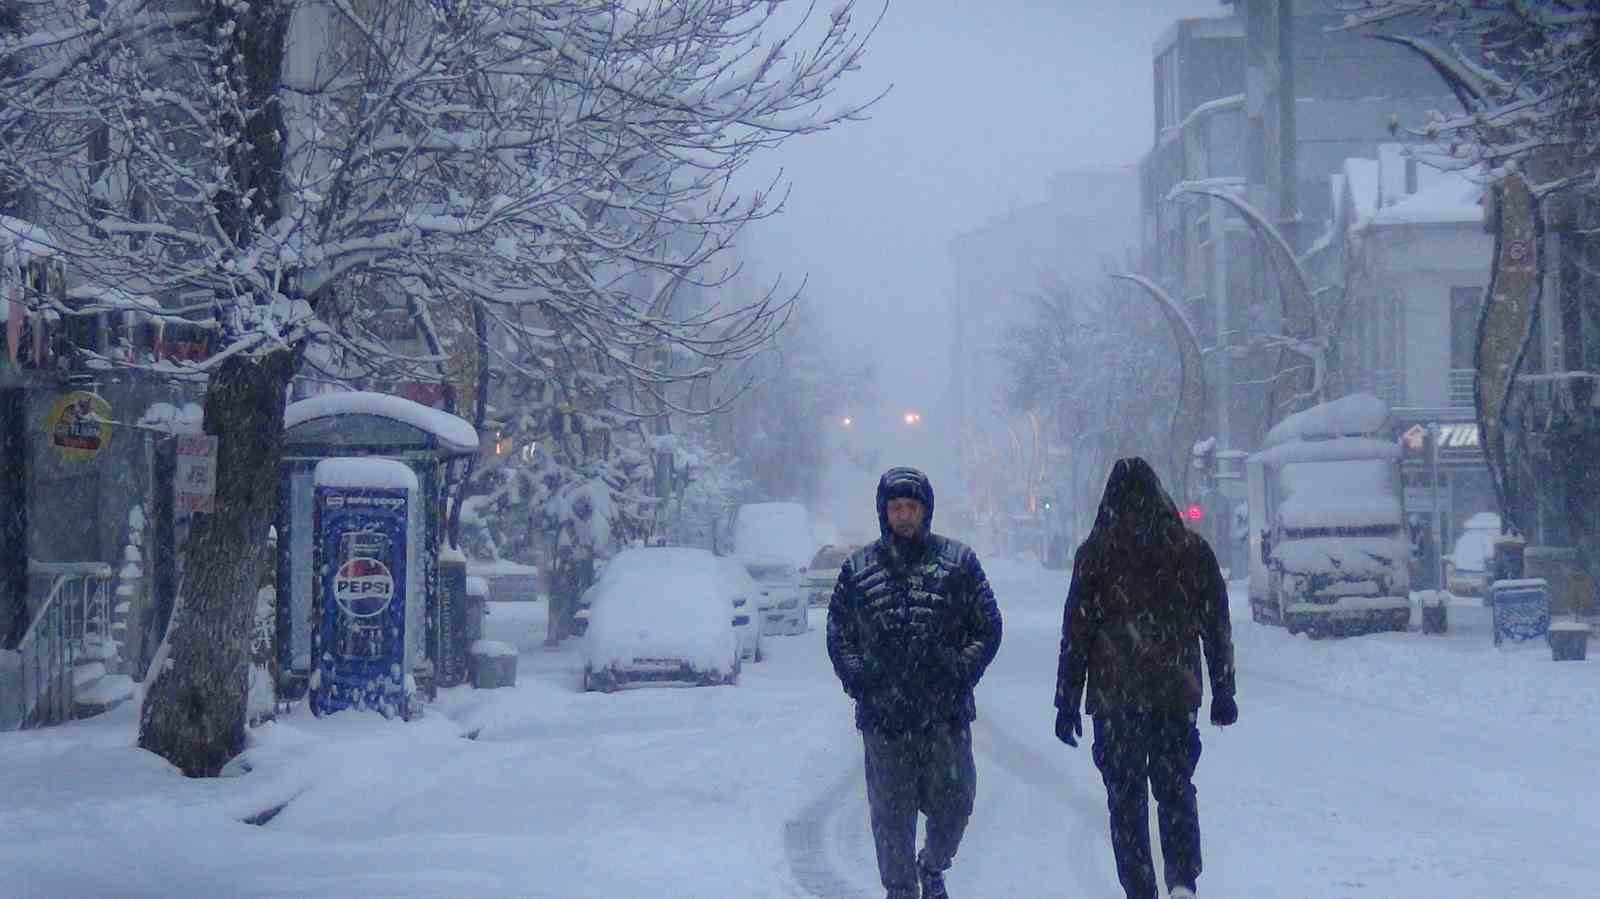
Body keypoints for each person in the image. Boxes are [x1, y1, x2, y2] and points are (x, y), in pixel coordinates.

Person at [1054, 457, 1237, 899]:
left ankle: (1140, 887)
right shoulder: (1190, 551)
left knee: (1126, 801)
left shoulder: (1095, 555)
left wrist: (1067, 701)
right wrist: (1223, 692)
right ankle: (1182, 880)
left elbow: (1076, 632)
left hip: (1115, 700)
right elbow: (1216, 625)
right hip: (1175, 695)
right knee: (1175, 791)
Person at [827, 466, 1003, 899]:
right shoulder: (858, 569)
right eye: (896, 508)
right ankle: (901, 890)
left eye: (911, 507)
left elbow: (988, 628)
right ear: (883, 512)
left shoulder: (958, 564)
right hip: (885, 720)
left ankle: (934, 862)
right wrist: (861, 679)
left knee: (955, 803)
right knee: (891, 817)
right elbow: (839, 633)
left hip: (944, 716)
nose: (904, 516)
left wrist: (960, 671)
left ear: (926, 510)